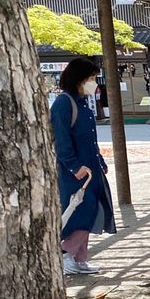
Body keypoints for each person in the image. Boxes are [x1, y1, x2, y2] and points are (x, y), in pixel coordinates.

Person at [51, 57, 116, 275]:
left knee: (91, 210)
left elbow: (90, 140)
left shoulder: (81, 103)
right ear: (79, 79)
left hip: (91, 170)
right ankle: (65, 253)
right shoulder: (64, 103)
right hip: (75, 173)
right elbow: (61, 140)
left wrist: (100, 162)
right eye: (91, 78)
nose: (94, 83)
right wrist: (74, 166)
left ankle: (79, 259)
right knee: (80, 212)